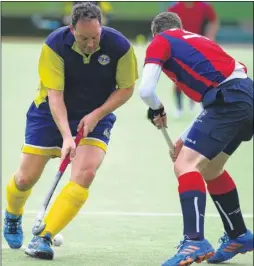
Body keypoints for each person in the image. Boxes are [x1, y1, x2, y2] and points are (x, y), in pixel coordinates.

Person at [3, 2, 138, 260]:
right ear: (71, 29)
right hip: (50, 113)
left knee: (85, 173)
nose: (90, 43)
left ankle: (44, 237)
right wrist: (67, 136)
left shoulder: (120, 47)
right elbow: (55, 96)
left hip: (96, 114)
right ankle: (12, 215)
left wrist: (97, 114)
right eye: (83, 37)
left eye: (95, 37)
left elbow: (126, 88)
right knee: (24, 179)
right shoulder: (54, 45)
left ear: (102, 27)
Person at [139, 12, 253, 266]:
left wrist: (157, 108)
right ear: (180, 28)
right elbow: (215, 97)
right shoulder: (200, 41)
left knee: (185, 165)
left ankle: (194, 241)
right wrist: (183, 137)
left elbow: (146, 90)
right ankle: (239, 235)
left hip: (228, 100)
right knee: (211, 167)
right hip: (245, 98)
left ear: (157, 33)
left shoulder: (162, 40)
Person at [167, 2, 219, 118]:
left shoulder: (204, 7)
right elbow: (168, 27)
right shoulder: (174, 8)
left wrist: (210, 37)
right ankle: (179, 108)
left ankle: (199, 104)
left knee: (201, 77)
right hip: (180, 47)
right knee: (179, 77)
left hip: (199, 47)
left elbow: (214, 21)